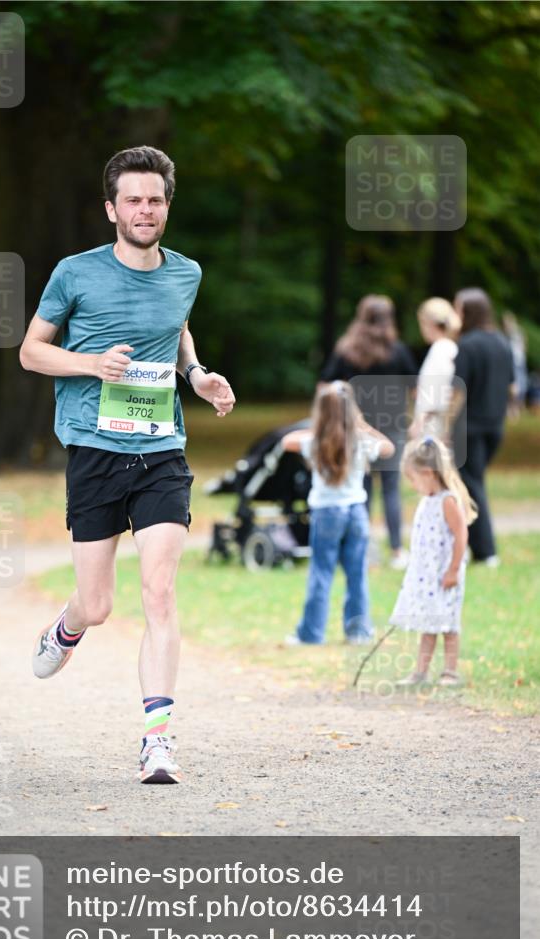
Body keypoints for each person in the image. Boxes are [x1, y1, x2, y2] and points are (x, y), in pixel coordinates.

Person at [19, 146, 235, 784]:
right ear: (112, 209)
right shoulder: (75, 273)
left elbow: (177, 329)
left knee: (160, 591)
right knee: (99, 604)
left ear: (168, 206)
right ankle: (67, 627)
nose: (146, 210)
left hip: (161, 449)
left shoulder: (186, 272)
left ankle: (157, 741)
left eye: (156, 200)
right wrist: (91, 364)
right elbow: (31, 352)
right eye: (134, 200)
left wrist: (196, 374)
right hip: (94, 450)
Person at [282, 381, 394, 646]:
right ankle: (358, 632)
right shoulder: (360, 441)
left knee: (321, 574)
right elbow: (388, 447)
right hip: (356, 511)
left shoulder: (314, 441)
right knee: (357, 574)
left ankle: (311, 634)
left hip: (326, 513)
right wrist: (361, 425)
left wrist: (320, 425)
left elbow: (286, 441)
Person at [320, 294, 417, 570]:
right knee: (391, 490)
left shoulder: (347, 350)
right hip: (392, 427)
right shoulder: (398, 351)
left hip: (355, 428)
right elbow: (415, 388)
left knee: (360, 489)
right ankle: (397, 551)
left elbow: (325, 385)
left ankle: (361, 549)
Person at [391, 437, 477, 688]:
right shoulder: (427, 500)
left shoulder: (447, 501)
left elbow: (461, 535)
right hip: (427, 577)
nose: (413, 485)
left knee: (448, 624)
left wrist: (453, 570)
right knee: (428, 624)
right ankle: (421, 672)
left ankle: (450, 671)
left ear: (428, 473)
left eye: (413, 479)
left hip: (445, 575)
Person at [449, 288, 516, 566]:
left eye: (457, 309)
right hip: (495, 427)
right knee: (472, 482)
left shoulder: (467, 345)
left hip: (470, 428)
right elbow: (512, 387)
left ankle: (486, 550)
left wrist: (445, 425)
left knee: (471, 485)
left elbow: (457, 391)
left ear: (467, 312)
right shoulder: (502, 343)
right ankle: (470, 546)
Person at [409, 298, 461, 441]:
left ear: (429, 323)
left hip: (433, 427)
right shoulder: (448, 348)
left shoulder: (441, 349)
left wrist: (419, 421)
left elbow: (439, 391)